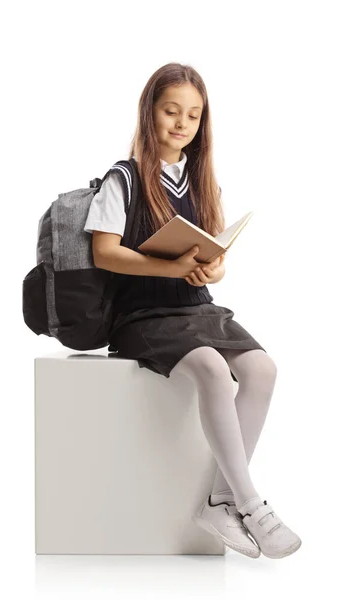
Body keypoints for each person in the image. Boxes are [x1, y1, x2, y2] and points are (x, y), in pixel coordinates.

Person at [84, 62, 301, 560]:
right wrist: (170, 268)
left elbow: (216, 262)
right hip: (142, 314)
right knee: (209, 368)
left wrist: (209, 271)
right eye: (171, 112)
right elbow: (105, 252)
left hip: (196, 307)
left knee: (262, 368)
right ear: (150, 113)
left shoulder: (203, 180)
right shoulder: (125, 178)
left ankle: (219, 501)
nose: (181, 124)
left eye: (193, 116)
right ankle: (251, 505)